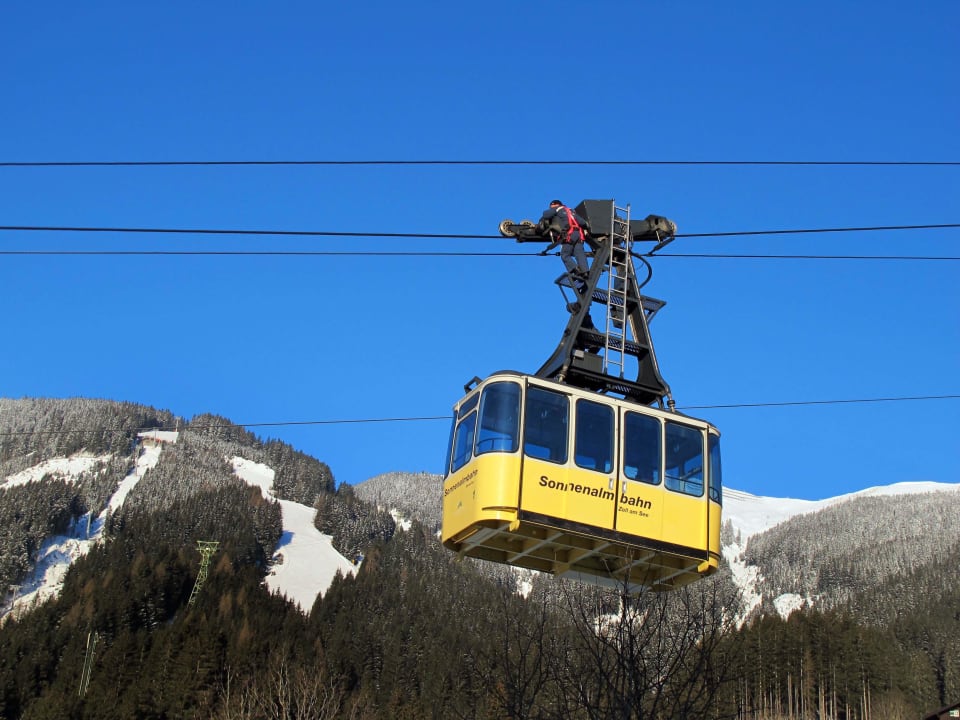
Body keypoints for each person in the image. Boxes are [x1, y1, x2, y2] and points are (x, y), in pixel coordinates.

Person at [538, 200, 590, 288]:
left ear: (554, 205)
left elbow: (545, 214)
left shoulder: (557, 209)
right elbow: (582, 222)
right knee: (579, 254)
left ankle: (575, 271)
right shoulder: (571, 211)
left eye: (551, 206)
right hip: (578, 235)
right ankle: (585, 272)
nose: (551, 208)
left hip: (569, 234)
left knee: (565, 254)